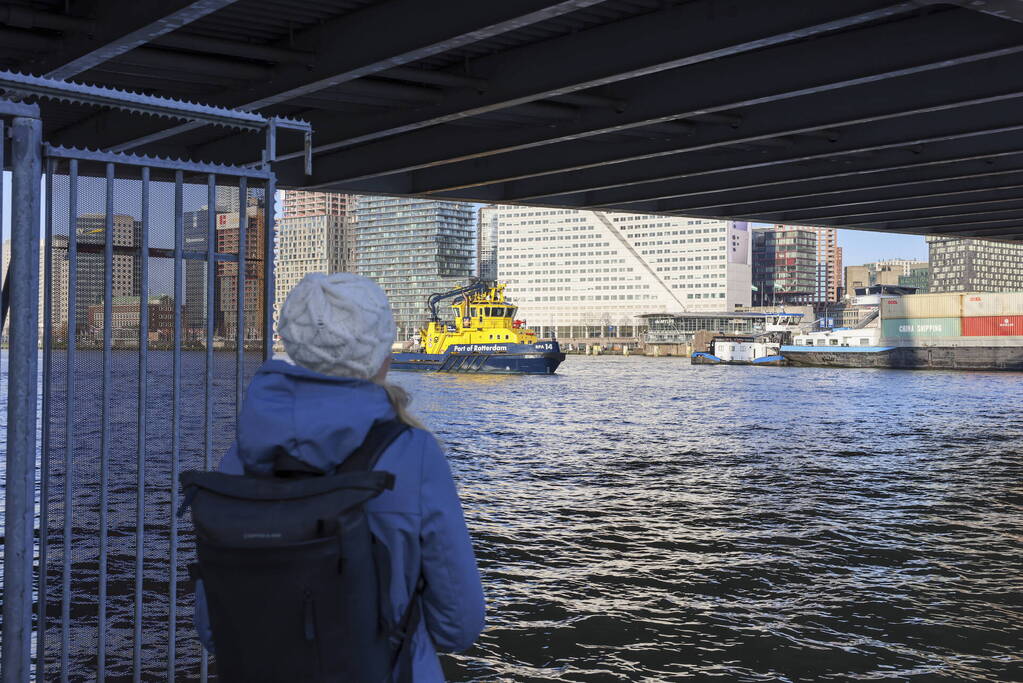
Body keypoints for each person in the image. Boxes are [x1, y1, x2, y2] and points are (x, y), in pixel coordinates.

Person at [195, 272, 486, 681]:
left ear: (293, 343)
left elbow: (212, 627)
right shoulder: (414, 453)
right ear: (381, 351)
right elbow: (459, 624)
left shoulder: (243, 454)